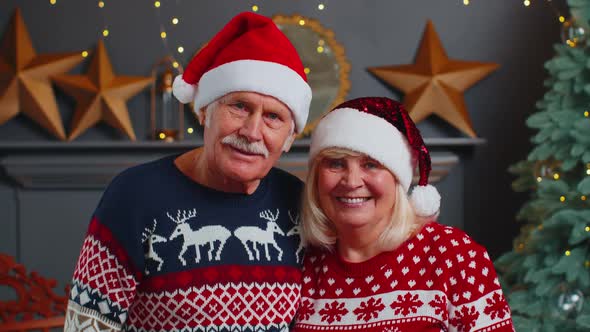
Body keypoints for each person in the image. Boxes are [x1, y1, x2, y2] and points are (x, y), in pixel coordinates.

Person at [64, 12, 312, 332]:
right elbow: (85, 326)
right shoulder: (134, 196)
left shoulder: (299, 203)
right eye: (239, 106)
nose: (252, 131)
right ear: (205, 109)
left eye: (273, 117)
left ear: (290, 137)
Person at [292, 97, 514, 331]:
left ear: (398, 179)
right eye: (336, 163)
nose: (352, 181)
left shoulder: (454, 255)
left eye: (371, 164)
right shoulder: (300, 263)